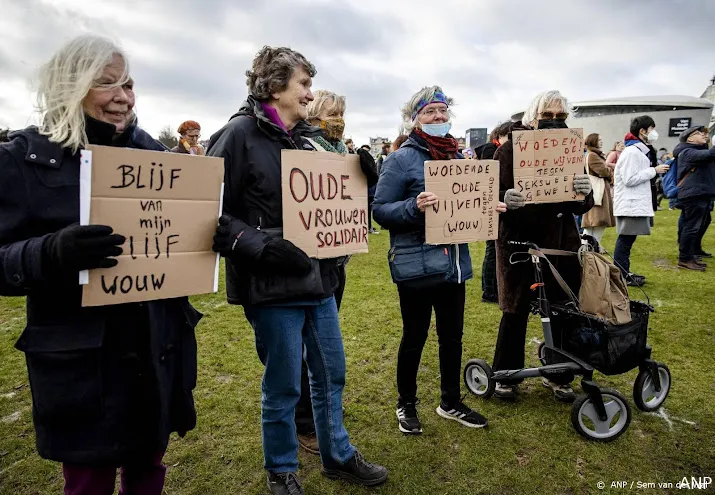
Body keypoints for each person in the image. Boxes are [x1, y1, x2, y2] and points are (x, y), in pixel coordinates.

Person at [0, 34, 200, 495]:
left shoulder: (153, 155)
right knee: (89, 479)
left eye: (128, 84)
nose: (124, 97)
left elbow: (196, 221)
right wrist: (48, 253)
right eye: (106, 84)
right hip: (83, 362)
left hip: (154, 346)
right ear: (69, 87)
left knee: (150, 468)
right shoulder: (23, 160)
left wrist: (232, 235)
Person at [207, 46, 387, 495]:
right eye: (304, 84)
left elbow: (341, 210)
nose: (310, 93)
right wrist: (265, 247)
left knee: (331, 374)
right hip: (270, 287)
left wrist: (367, 178)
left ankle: (338, 456)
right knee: (284, 384)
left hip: (319, 281)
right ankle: (282, 469)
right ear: (274, 86)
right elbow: (210, 214)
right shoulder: (237, 135)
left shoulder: (310, 140)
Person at [374, 85, 505, 435]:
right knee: (414, 337)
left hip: (455, 266)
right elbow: (379, 210)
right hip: (417, 265)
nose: (438, 117)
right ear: (415, 117)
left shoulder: (460, 159)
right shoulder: (401, 159)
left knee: (452, 338)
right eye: (430, 112)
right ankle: (406, 403)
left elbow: (468, 204)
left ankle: (450, 401)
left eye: (442, 111)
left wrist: (488, 209)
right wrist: (413, 207)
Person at [291, 89, 378, 455]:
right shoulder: (297, 147)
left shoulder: (343, 153)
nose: (337, 119)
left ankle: (319, 408)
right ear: (311, 113)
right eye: (331, 112)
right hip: (303, 266)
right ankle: (304, 421)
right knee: (303, 347)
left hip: (335, 263)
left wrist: (366, 177)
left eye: (342, 112)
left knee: (322, 349)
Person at [493, 90, 594, 401]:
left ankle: (559, 373)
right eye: (547, 116)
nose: (554, 122)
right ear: (532, 118)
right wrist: (505, 199)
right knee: (516, 310)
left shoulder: (572, 149)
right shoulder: (508, 151)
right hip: (521, 243)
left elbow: (582, 205)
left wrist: (585, 191)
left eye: (560, 117)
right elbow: (490, 198)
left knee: (564, 308)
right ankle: (506, 375)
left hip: (561, 242)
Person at [613, 116, 670, 286]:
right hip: (630, 204)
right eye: (652, 128)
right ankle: (622, 274)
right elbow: (629, 179)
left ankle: (623, 272)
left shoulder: (638, 151)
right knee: (625, 240)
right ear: (642, 131)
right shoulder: (632, 152)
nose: (654, 133)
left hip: (633, 203)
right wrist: (654, 170)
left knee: (627, 240)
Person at [475, 122, 510, 303]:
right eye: (508, 136)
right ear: (500, 136)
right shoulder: (491, 151)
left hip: (497, 206)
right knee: (492, 251)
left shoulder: (493, 150)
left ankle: (493, 288)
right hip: (492, 207)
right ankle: (489, 290)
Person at [672, 125, 715, 271]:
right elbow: (709, 155)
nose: (704, 135)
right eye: (699, 133)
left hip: (698, 193)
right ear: (689, 138)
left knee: (692, 226)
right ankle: (685, 259)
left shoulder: (694, 150)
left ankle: (690, 255)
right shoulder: (687, 152)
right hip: (694, 195)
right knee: (691, 227)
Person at [581, 133, 616, 246]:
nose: (601, 141)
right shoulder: (593, 155)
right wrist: (610, 172)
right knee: (597, 222)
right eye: (599, 140)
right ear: (593, 141)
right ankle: (592, 248)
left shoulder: (593, 155)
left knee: (593, 223)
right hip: (598, 193)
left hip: (598, 191)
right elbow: (604, 171)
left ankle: (589, 248)